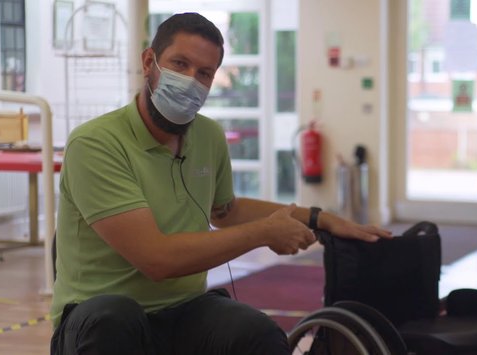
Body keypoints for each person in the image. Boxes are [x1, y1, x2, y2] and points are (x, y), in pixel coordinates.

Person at [49, 12, 392, 355]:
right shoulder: (95, 143)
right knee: (115, 318)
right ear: (149, 61)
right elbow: (157, 260)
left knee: (257, 333)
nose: (190, 80)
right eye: (179, 64)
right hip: (98, 319)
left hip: (183, 310)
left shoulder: (209, 136)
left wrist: (321, 218)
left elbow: (226, 210)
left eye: (204, 73)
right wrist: (263, 233)